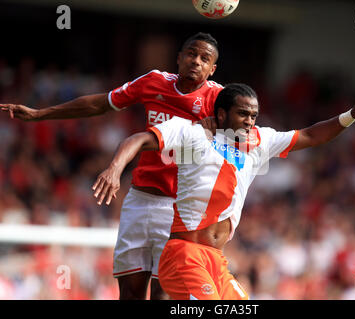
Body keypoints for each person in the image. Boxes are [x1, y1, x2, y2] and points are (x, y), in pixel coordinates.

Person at [92, 79, 355, 299]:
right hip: (184, 255)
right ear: (220, 114)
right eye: (243, 114)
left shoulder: (259, 141)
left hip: (216, 261)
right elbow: (139, 140)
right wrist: (115, 169)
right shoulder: (191, 133)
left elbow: (310, 135)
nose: (249, 121)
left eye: (254, 115)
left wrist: (352, 115)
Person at [0, 32, 222, 300]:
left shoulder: (220, 101)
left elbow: (245, 139)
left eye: (204, 58)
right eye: (191, 54)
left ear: (212, 69)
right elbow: (99, 104)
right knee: (129, 294)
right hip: (140, 201)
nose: (196, 61)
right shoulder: (154, 82)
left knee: (164, 294)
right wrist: (40, 114)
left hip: (181, 209)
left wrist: (219, 134)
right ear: (178, 58)